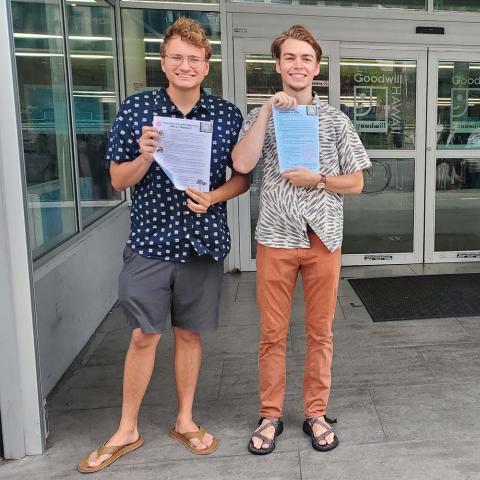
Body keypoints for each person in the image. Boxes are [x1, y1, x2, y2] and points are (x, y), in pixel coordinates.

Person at [78, 17, 249, 473]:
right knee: (143, 335)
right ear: (163, 62)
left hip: (202, 240)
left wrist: (213, 196)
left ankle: (185, 419)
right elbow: (118, 180)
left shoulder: (227, 115)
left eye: (194, 59)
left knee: (189, 334)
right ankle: (127, 427)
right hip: (151, 241)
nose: (185, 65)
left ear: (206, 66)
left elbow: (242, 178)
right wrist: (145, 155)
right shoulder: (137, 110)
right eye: (177, 57)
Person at [232, 25, 371, 455]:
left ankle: (315, 412)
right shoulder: (261, 115)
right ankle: (270, 414)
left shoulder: (336, 120)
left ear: (316, 66)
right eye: (290, 58)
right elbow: (242, 162)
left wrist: (320, 180)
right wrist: (266, 113)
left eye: (306, 59)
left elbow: (358, 182)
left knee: (321, 331)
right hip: (275, 236)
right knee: (272, 333)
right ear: (278, 65)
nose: (298, 65)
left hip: (323, 238)